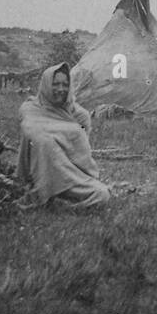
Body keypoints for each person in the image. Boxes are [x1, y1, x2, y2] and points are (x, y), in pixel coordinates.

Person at [16, 63, 110, 209]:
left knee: (102, 194)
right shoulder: (30, 109)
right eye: (55, 84)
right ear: (46, 84)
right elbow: (32, 133)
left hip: (71, 179)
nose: (61, 89)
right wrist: (68, 132)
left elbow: (81, 154)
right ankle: (48, 197)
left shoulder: (80, 115)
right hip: (39, 178)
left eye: (65, 84)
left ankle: (61, 204)